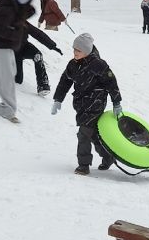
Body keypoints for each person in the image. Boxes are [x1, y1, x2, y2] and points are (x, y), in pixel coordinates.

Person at [51, 33, 122, 175]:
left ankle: (83, 165)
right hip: (81, 104)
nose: (75, 53)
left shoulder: (98, 65)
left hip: (96, 102)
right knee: (94, 134)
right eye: (74, 50)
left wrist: (116, 102)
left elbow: (111, 82)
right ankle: (108, 157)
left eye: (78, 50)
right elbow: (65, 81)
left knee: (83, 133)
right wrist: (58, 99)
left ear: (87, 51)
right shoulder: (73, 65)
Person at [15, 25, 64, 95]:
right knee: (18, 80)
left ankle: (42, 84)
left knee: (37, 55)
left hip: (23, 47)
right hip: (11, 52)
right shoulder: (3, 21)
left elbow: (38, 33)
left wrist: (52, 46)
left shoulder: (23, 22)